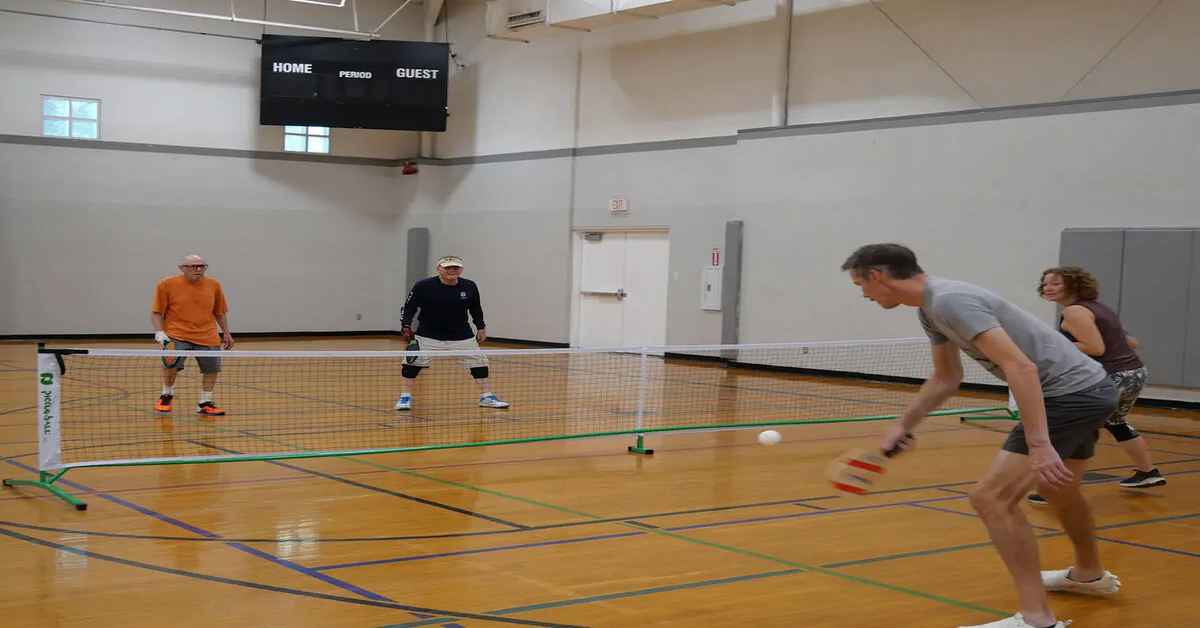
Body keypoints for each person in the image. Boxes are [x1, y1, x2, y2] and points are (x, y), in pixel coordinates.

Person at [842, 243, 1120, 628]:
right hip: (1092, 389)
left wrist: (1040, 444)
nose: (865, 295)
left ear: (878, 276)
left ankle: (1037, 619)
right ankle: (1088, 575)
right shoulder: (930, 309)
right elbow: (946, 377)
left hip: (1068, 396)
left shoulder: (950, 301)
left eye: (862, 285)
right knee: (1060, 488)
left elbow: (1021, 368)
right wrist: (902, 426)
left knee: (991, 499)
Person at [1024, 266, 1163, 505]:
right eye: (1046, 283)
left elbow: (1096, 348)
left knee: (1075, 426)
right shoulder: (1099, 308)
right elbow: (1131, 341)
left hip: (1111, 376)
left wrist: (1053, 344)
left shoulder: (1075, 312)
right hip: (1134, 373)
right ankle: (1147, 472)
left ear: (1074, 285)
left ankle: (1056, 489)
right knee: (1116, 423)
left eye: (1056, 283)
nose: (1048, 287)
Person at [395, 255, 510, 411]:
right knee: (411, 364)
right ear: (439, 269)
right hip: (428, 334)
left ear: (461, 270)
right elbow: (409, 307)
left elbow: (476, 308)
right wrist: (406, 325)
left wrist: (481, 327)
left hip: (461, 335)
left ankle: (487, 397)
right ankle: (405, 397)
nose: (452, 270)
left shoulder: (469, 286)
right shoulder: (423, 286)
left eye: (456, 267)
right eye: (448, 267)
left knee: (479, 363)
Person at [151, 254, 234, 415]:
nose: (198, 269)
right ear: (182, 268)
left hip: (207, 335)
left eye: (202, 266)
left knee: (212, 369)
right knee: (171, 365)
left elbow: (219, 312)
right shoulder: (166, 284)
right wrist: (159, 332)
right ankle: (166, 395)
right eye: (193, 266)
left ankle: (205, 402)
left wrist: (226, 333)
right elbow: (156, 312)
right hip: (177, 334)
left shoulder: (214, 285)